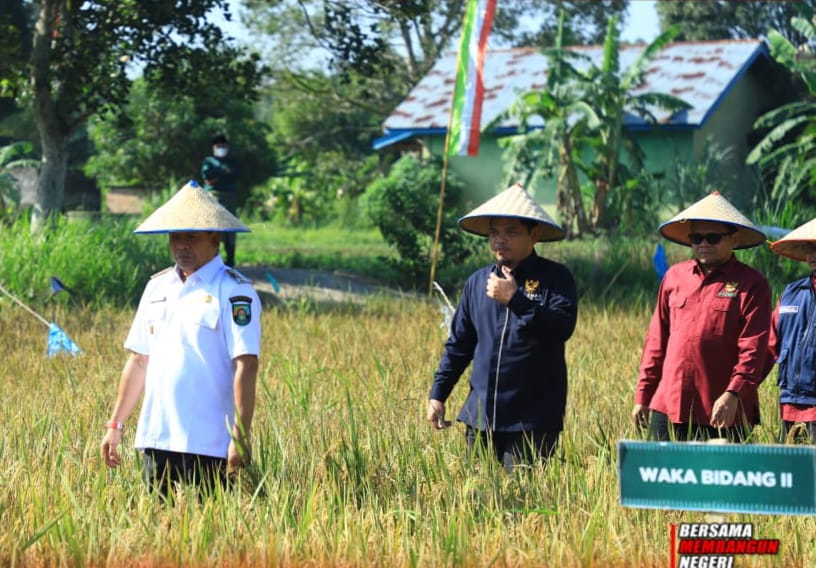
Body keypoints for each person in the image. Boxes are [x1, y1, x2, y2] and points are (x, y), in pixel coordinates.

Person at [100, 180, 261, 498]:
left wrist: (240, 437)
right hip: (156, 437)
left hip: (210, 442)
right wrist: (115, 425)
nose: (181, 245)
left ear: (214, 237)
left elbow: (246, 365)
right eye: (175, 237)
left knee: (211, 535)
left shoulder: (234, 291)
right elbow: (139, 361)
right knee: (155, 530)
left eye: (192, 236)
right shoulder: (157, 288)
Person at [427, 183, 578, 472]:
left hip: (532, 418)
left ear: (534, 235)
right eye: (494, 232)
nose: (500, 240)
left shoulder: (555, 278)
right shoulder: (477, 282)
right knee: (480, 500)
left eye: (511, 232)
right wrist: (438, 393)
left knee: (524, 503)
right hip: (481, 416)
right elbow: (459, 344)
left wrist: (516, 300)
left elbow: (562, 328)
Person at [632, 191, 771, 442]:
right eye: (696, 238)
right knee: (663, 480)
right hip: (669, 404)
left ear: (734, 239)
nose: (703, 244)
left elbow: (754, 349)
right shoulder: (674, 277)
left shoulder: (752, 284)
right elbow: (656, 342)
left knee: (722, 480)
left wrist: (734, 394)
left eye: (713, 237)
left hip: (724, 408)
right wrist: (644, 395)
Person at [765, 217, 816, 444]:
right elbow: (768, 346)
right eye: (810, 248)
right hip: (790, 403)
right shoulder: (791, 293)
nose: (813, 255)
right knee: (793, 476)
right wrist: (737, 390)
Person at [201, 134, 241, 267]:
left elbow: (235, 176)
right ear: (213, 147)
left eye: (223, 146)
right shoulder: (209, 161)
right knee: (213, 227)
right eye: (218, 146)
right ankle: (212, 261)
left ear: (227, 147)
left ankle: (231, 262)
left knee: (230, 228)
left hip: (230, 197)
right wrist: (224, 173)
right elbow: (208, 178)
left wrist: (218, 175)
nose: (221, 149)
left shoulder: (233, 162)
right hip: (214, 196)